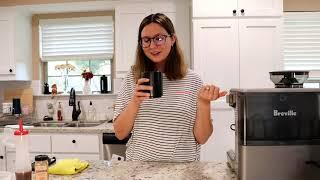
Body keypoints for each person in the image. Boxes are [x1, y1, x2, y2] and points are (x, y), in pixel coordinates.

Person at [113, 13, 227, 161]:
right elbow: (120, 133)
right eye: (146, 40)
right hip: (139, 167)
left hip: (183, 169)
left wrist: (204, 103)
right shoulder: (133, 77)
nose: (152, 46)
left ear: (172, 39)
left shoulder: (193, 80)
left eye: (159, 38)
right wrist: (135, 101)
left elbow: (202, 138)